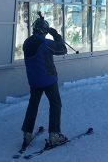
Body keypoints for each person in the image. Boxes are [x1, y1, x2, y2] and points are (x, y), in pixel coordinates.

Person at [21, 12, 68, 147]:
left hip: (34, 81)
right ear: (43, 30)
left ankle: (27, 133)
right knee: (55, 104)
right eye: (45, 31)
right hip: (48, 80)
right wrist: (55, 34)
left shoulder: (26, 42)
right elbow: (62, 49)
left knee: (33, 105)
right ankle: (54, 134)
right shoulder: (44, 43)